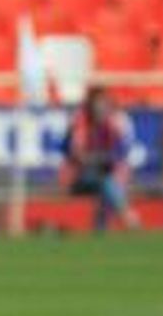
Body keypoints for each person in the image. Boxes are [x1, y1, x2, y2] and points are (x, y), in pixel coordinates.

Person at [60, 86, 142, 232]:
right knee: (107, 182)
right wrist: (101, 158)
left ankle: (100, 229)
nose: (100, 108)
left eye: (104, 103)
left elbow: (121, 153)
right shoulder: (80, 122)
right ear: (90, 105)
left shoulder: (116, 122)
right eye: (97, 103)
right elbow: (77, 155)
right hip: (80, 177)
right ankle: (127, 216)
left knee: (108, 183)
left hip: (110, 175)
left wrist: (100, 158)